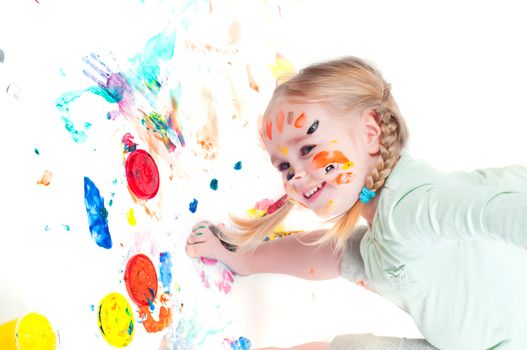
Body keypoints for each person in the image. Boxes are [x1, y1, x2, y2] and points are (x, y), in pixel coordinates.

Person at [185, 56, 527, 349]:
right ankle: (245, 258)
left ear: (370, 133)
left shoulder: (413, 207)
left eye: (307, 149)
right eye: (284, 167)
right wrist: (240, 257)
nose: (295, 177)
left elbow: (494, 212)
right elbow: (325, 255)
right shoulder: (385, 227)